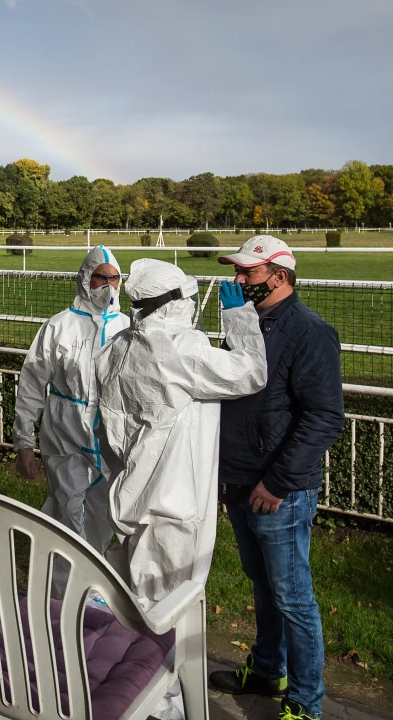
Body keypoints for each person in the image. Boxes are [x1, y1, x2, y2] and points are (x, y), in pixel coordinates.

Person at [207, 235, 344, 720]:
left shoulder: (310, 333)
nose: (239, 282)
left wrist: (278, 482)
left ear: (280, 275)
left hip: (276, 491)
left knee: (293, 597)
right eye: (238, 273)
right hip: (240, 481)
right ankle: (267, 671)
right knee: (262, 585)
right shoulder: (246, 325)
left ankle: (306, 708)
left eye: (248, 273)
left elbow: (324, 417)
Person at [95, 259, 266, 608]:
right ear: (172, 302)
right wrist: (239, 318)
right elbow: (251, 373)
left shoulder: (115, 347)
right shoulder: (183, 349)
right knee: (165, 608)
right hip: (173, 503)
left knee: (129, 592)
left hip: (129, 491)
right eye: (188, 296)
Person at [13, 246, 128, 555]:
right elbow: (31, 385)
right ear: (85, 279)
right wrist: (24, 443)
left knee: (104, 516)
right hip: (65, 437)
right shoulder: (59, 326)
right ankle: (63, 591)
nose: (108, 285)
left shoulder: (128, 328)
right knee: (68, 513)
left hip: (111, 442)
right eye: (100, 278)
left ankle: (90, 584)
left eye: (114, 278)